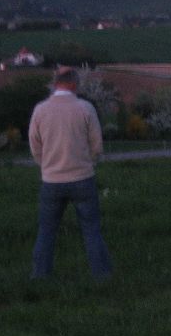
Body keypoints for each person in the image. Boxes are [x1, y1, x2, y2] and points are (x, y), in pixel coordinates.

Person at [28, 67, 113, 280]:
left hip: (51, 181)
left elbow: (34, 145)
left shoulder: (40, 110)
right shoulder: (85, 108)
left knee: (46, 231)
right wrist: (88, 163)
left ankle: (40, 276)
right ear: (74, 84)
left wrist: (46, 165)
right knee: (91, 230)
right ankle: (102, 276)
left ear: (55, 83)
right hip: (82, 178)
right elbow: (97, 145)